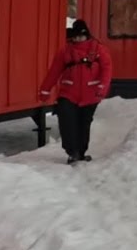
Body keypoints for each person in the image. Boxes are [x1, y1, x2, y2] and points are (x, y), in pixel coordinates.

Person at [39, 20, 113, 164]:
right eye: (76, 36)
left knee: (83, 124)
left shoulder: (99, 50)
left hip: (90, 96)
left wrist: (102, 88)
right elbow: (54, 72)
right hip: (68, 94)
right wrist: (45, 90)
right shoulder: (65, 51)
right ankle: (72, 152)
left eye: (81, 36)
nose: (78, 39)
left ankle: (81, 152)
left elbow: (107, 69)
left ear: (87, 35)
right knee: (67, 123)